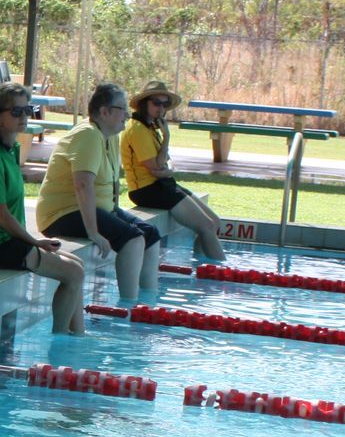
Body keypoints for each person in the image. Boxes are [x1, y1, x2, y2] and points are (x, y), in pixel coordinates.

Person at [0, 81, 88, 334]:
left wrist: (33, 243)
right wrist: (35, 242)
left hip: (9, 241)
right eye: (16, 111)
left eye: (27, 109)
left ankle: (79, 335)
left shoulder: (11, 148)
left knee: (78, 265)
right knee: (73, 274)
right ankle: (62, 340)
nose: (24, 117)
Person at [35, 82, 161, 301]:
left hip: (93, 208)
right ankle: (128, 307)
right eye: (122, 109)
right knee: (132, 239)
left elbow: (110, 185)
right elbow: (82, 184)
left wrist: (115, 214)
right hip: (61, 214)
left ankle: (148, 301)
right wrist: (93, 232)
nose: (127, 115)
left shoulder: (110, 136)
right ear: (105, 112)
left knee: (150, 235)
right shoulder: (89, 135)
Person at [121, 78, 229, 261]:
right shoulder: (138, 129)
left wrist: (167, 165)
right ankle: (220, 273)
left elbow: (166, 163)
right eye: (156, 103)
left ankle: (202, 266)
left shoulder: (151, 127)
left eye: (165, 104)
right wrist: (167, 140)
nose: (161, 108)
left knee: (214, 223)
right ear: (143, 104)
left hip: (163, 185)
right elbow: (156, 167)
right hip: (147, 190)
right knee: (206, 226)